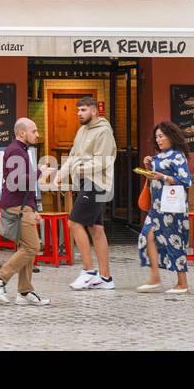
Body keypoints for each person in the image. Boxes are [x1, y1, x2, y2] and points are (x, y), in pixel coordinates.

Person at [0, 118, 48, 305]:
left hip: (23, 206)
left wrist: (34, 208)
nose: (37, 134)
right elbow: (18, 182)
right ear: (22, 133)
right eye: (34, 131)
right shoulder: (15, 151)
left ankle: (24, 292)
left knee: (27, 248)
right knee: (32, 247)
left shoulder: (21, 150)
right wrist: (39, 172)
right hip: (17, 207)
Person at [56, 96, 117, 291]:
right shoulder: (81, 130)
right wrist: (60, 174)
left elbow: (103, 162)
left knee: (74, 223)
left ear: (94, 111)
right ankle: (106, 278)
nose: (79, 114)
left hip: (97, 183)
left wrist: (79, 169)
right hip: (86, 182)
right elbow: (73, 156)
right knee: (96, 229)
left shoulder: (104, 132)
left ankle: (89, 271)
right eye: (78, 111)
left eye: (83, 110)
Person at [137, 121, 192, 298]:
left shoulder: (177, 156)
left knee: (173, 241)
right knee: (147, 237)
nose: (158, 140)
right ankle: (154, 277)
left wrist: (164, 177)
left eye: (161, 136)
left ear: (171, 136)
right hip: (156, 208)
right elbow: (154, 178)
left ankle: (182, 282)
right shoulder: (158, 156)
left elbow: (185, 181)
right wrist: (147, 167)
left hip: (172, 208)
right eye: (157, 137)